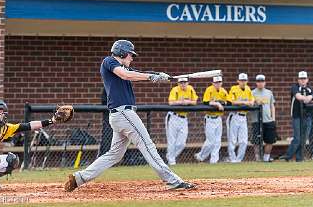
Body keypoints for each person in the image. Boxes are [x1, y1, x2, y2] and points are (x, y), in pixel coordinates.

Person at [64, 40, 195, 192]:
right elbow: (126, 75)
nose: (132, 58)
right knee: (147, 145)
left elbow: (137, 72)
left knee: (115, 154)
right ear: (122, 52)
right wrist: (151, 77)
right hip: (123, 113)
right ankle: (173, 181)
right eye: (130, 55)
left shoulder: (124, 67)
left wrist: (157, 75)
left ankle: (79, 178)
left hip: (120, 115)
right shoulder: (109, 61)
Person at [0, 98, 72, 190]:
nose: (3, 114)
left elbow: (28, 126)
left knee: (12, 160)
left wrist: (51, 121)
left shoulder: (3, 128)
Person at [280, 71, 313, 162]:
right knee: (297, 138)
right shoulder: (295, 87)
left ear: (307, 80)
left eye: (304, 79)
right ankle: (287, 156)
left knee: (304, 138)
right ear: (298, 80)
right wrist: (309, 98)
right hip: (296, 115)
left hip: (307, 116)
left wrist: (312, 97)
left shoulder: (310, 89)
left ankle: (299, 158)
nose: (302, 81)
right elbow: (298, 97)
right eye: (301, 79)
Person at [194, 76, 227, 164]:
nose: (218, 84)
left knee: (217, 141)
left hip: (218, 118)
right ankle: (200, 156)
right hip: (209, 118)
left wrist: (222, 103)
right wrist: (216, 103)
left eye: (219, 82)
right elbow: (205, 102)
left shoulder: (223, 91)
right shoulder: (209, 89)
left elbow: (227, 102)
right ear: (213, 83)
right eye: (216, 82)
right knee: (210, 141)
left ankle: (214, 161)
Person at [165, 77, 198, 165]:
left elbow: (195, 102)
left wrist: (187, 102)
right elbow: (171, 103)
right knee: (172, 141)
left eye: (185, 82)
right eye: (181, 82)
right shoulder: (175, 89)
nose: (183, 84)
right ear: (178, 83)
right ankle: (171, 161)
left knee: (182, 143)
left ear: (188, 83)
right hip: (173, 117)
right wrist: (181, 102)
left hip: (184, 118)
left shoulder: (190, 89)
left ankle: (170, 156)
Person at [226, 73, 255, 163]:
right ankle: (232, 159)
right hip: (235, 116)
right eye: (241, 80)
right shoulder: (234, 88)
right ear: (238, 81)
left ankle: (238, 160)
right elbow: (232, 102)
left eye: (244, 80)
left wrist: (247, 102)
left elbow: (252, 101)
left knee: (244, 141)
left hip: (243, 117)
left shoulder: (248, 89)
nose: (243, 82)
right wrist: (245, 103)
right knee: (233, 140)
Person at [250, 74, 276, 162]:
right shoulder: (252, 93)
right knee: (256, 141)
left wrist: (273, 118)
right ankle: (258, 158)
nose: (260, 83)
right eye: (258, 81)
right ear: (256, 83)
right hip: (256, 120)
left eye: (262, 81)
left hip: (268, 120)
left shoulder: (269, 92)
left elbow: (272, 105)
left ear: (265, 82)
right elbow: (250, 104)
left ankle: (266, 158)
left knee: (270, 140)